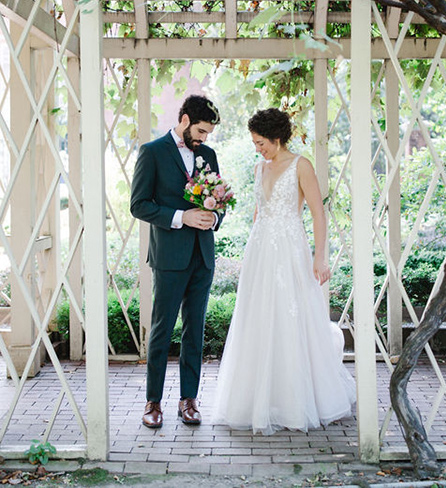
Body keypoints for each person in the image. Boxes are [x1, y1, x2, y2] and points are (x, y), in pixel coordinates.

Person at [212, 108, 355, 435]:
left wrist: (320, 258)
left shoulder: (301, 166)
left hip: (290, 251)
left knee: (292, 316)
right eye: (254, 143)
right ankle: (258, 398)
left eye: (260, 142)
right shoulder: (259, 167)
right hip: (261, 251)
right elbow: (260, 211)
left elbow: (319, 214)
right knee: (258, 317)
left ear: (277, 137)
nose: (257, 148)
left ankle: (296, 399)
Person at [130, 95, 224, 428]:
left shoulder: (208, 155)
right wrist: (181, 217)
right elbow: (139, 205)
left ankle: (189, 399)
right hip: (169, 257)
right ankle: (152, 402)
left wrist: (213, 219)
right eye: (200, 131)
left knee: (194, 331)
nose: (203, 139)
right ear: (184, 120)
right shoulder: (152, 152)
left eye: (208, 133)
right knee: (161, 330)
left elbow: (218, 203)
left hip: (202, 257)